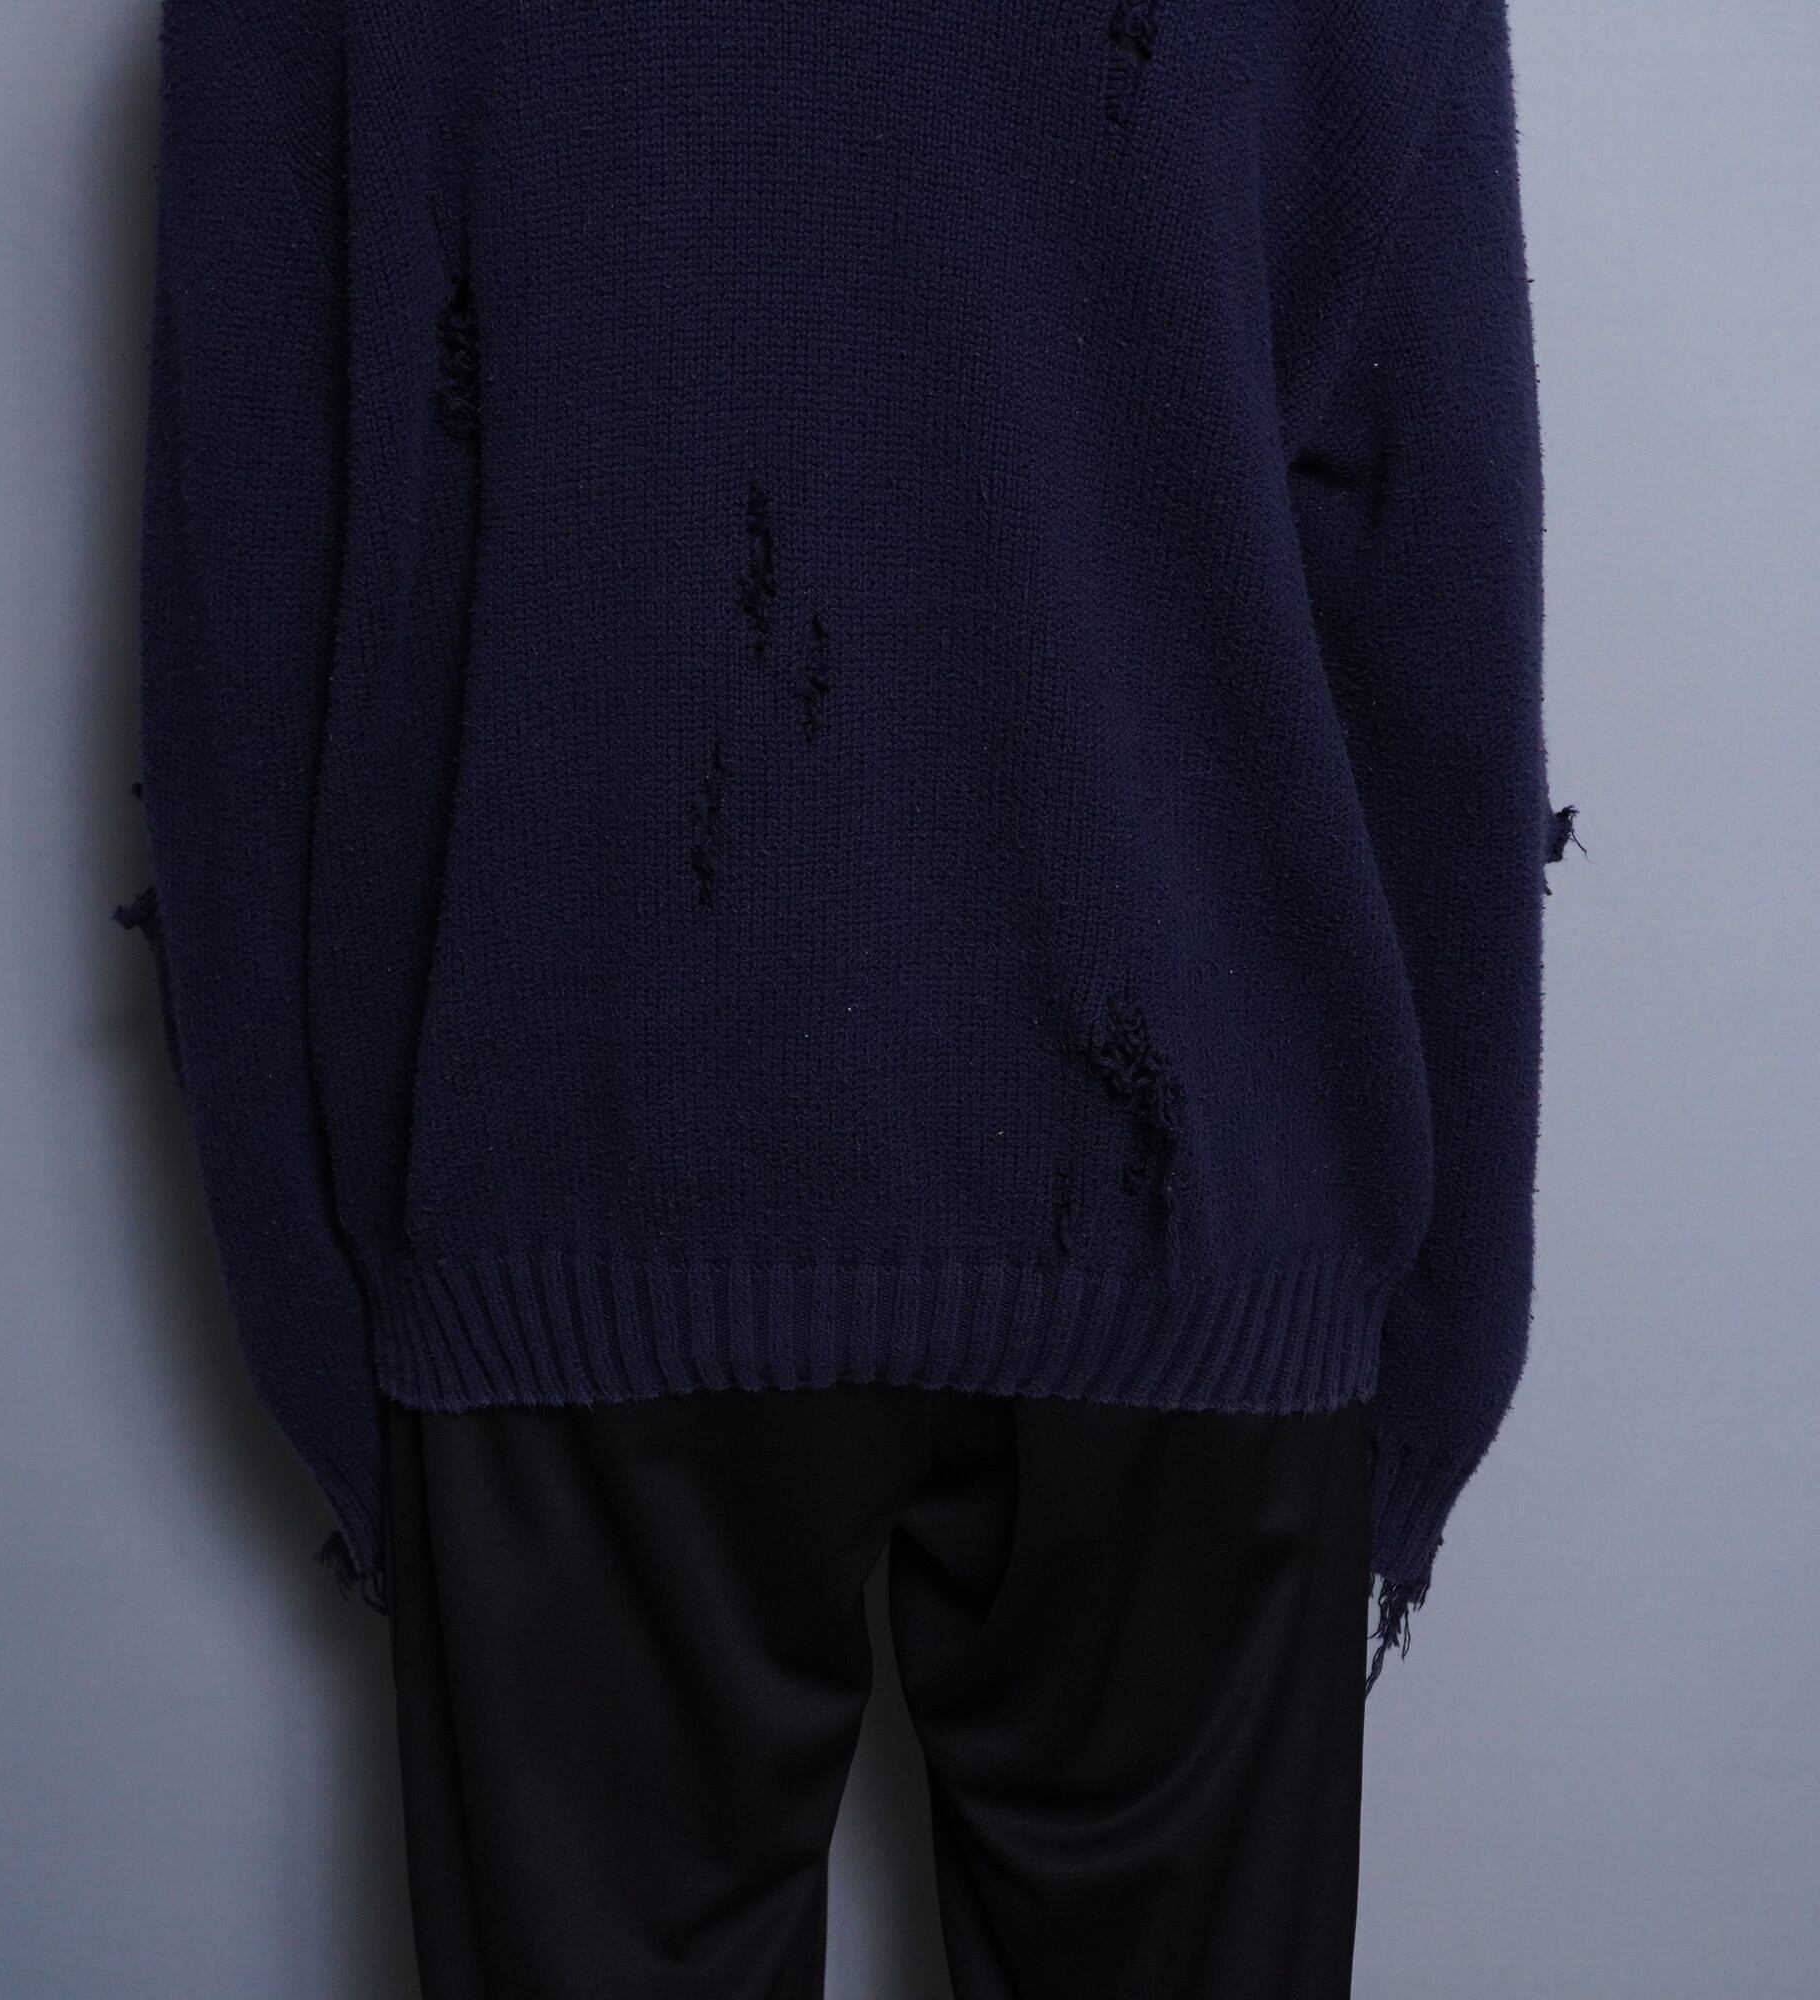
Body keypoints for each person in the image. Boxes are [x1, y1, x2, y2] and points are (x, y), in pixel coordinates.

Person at [120, 0, 1566, 1989]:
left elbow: (245, 635)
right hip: (1184, 1202)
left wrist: (330, 1313)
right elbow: (1430, 594)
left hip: (570, 1187)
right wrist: (1440, 1322)